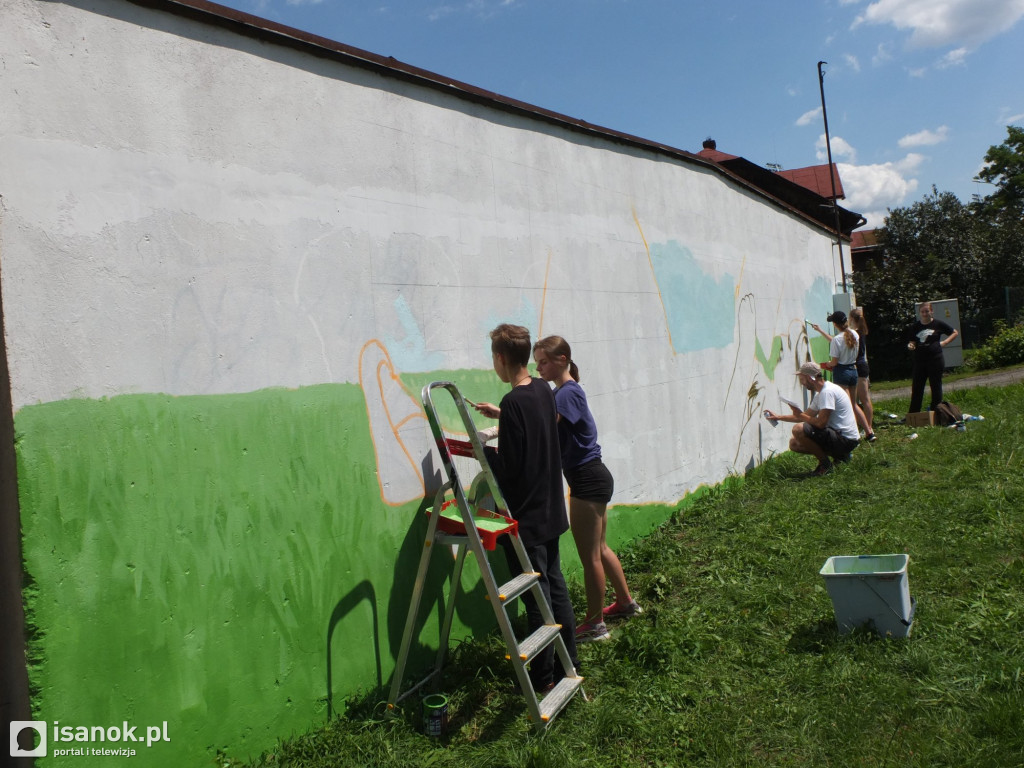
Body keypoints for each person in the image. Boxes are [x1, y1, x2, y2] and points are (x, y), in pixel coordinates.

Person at [470, 324, 580, 691]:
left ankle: (544, 678)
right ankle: (570, 662)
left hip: (528, 516)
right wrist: (502, 417)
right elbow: (534, 428)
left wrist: (483, 452)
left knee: (538, 598)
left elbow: (511, 469)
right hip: (550, 507)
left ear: (501, 358)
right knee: (555, 586)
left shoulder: (513, 401)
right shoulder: (543, 390)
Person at [532, 335, 641, 644]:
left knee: (590, 555)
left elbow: (543, 426)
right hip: (593, 476)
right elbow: (542, 420)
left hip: (587, 479)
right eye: (537, 362)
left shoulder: (567, 393)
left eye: (543, 361)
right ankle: (625, 603)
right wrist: (504, 415)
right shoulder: (563, 393)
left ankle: (595, 624)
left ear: (562, 359)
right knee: (601, 548)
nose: (539, 368)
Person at [765, 361, 860, 476]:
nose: (802, 383)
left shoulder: (827, 393)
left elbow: (820, 423)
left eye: (802, 379)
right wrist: (778, 417)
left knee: (798, 429)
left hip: (846, 440)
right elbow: (806, 416)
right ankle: (841, 456)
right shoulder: (821, 393)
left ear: (810, 378)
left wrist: (801, 416)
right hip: (841, 437)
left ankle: (826, 466)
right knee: (794, 444)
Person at [810, 311, 876, 442]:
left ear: (835, 324)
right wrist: (820, 331)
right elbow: (841, 343)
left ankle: (852, 435)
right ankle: (869, 432)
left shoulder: (837, 339)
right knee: (853, 405)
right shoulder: (855, 334)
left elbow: (834, 362)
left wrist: (824, 364)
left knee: (847, 406)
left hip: (841, 372)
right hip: (853, 371)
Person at [905, 302, 959, 415]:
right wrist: (911, 346)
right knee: (917, 388)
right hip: (920, 361)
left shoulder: (938, 324)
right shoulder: (915, 327)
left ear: (931, 311)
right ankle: (913, 415)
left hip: (935, 359)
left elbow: (954, 332)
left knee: (936, 387)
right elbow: (912, 342)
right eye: (922, 312)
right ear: (919, 313)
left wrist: (945, 342)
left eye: (927, 311)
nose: (925, 314)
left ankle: (937, 413)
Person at [848, 307, 874, 434]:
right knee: (863, 399)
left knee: (864, 399)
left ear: (852, 319)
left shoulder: (855, 333)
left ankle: (868, 427)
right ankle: (867, 426)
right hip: (862, 366)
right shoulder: (861, 331)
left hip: (859, 367)